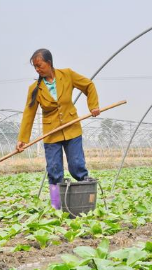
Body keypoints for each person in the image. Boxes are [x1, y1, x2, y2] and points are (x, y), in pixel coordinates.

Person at [16, 48, 100, 210]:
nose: (37, 69)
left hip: (72, 129)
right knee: (54, 171)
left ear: (49, 63)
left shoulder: (67, 75)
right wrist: (22, 139)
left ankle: (86, 203)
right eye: (35, 67)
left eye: (39, 65)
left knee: (77, 166)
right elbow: (29, 114)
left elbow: (88, 85)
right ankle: (56, 205)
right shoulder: (35, 88)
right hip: (51, 134)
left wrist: (93, 106)